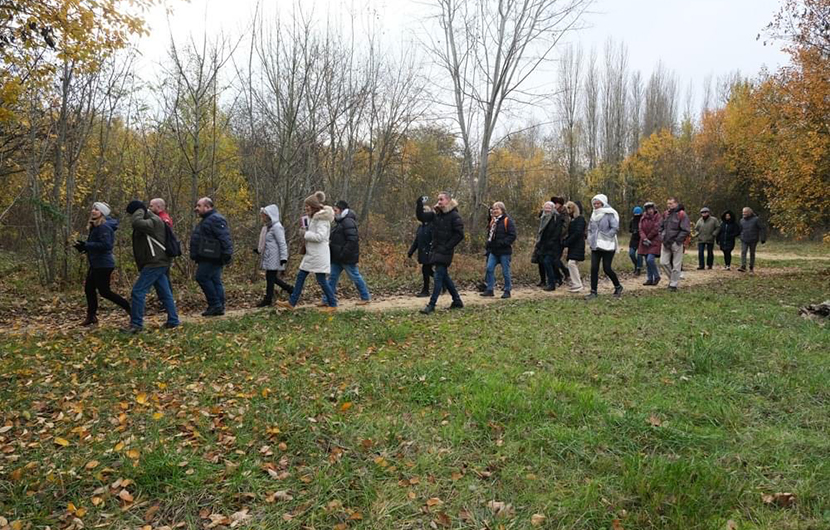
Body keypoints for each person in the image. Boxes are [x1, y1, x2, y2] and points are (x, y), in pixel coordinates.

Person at [124, 200, 179, 333]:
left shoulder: (154, 221)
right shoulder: (152, 219)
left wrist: (139, 210)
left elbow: (136, 223)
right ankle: (173, 320)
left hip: (155, 262)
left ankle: (136, 325)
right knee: (165, 292)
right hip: (158, 261)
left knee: (138, 292)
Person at [278, 192, 338, 311]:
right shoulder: (313, 218)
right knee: (301, 276)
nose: (306, 208)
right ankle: (292, 302)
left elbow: (320, 237)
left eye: (308, 206)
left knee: (321, 280)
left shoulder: (322, 219)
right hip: (312, 254)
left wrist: (306, 234)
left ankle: (333, 304)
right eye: (305, 206)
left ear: (314, 206)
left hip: (319, 255)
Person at [74, 202, 131, 326]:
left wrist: (87, 245)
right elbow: (96, 245)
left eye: (97, 209)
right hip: (96, 263)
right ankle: (91, 316)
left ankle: (128, 307)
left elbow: (106, 246)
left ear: (102, 213)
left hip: (104, 264)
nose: (93, 211)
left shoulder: (104, 227)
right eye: (93, 209)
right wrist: (83, 247)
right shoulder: (95, 226)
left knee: (104, 291)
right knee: (89, 289)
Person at [417, 192, 464, 314]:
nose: (439, 202)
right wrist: (419, 203)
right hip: (436, 250)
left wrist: (447, 247)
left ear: (448, 200)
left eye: (441, 199)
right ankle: (457, 301)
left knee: (438, 277)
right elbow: (421, 217)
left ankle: (431, 305)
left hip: (445, 252)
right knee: (445, 277)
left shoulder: (454, 216)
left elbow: (459, 234)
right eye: (438, 199)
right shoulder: (436, 214)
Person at [189, 197, 233, 316]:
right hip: (209, 256)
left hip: (212, 257)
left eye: (199, 206)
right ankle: (219, 306)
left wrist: (227, 254)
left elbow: (224, 237)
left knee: (201, 277)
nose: (196, 208)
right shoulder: (207, 219)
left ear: (208, 207)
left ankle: (215, 305)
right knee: (215, 280)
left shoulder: (215, 219)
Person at [325, 200, 371, 306]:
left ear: (341, 210)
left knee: (355, 276)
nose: (333, 212)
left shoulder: (348, 222)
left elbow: (352, 240)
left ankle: (365, 297)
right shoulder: (340, 222)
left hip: (346, 257)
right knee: (332, 278)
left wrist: (343, 253)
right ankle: (326, 299)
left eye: (335, 210)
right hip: (337, 257)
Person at [586, 194, 623, 300]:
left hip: (608, 245)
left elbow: (615, 227)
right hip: (595, 246)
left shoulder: (609, 214)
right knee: (594, 268)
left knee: (607, 268)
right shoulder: (593, 215)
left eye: (598, 203)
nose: (596, 205)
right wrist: (590, 238)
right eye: (595, 204)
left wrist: (607, 236)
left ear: (603, 203)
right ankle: (593, 291)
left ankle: (618, 286)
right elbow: (590, 229)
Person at [255, 204, 292, 307]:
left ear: (269, 215)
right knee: (271, 278)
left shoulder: (277, 227)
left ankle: (268, 299)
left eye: (263, 215)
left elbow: (282, 243)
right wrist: (259, 250)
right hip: (269, 256)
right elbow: (267, 242)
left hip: (275, 257)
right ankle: (290, 289)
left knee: (270, 277)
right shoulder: (268, 227)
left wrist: (284, 257)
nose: (262, 217)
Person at [481, 201, 517, 299]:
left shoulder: (507, 221)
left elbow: (512, 235)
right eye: (494, 209)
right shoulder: (493, 221)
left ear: (502, 210)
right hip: (493, 251)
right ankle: (490, 289)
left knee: (505, 271)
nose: (495, 210)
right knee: (489, 269)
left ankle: (507, 290)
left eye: (497, 209)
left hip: (504, 251)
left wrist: (502, 243)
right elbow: (490, 234)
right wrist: (488, 244)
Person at [660, 197, 691, 292]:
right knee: (663, 262)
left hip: (676, 242)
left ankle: (673, 285)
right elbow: (661, 227)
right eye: (668, 203)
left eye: (671, 203)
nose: (669, 205)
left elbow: (686, 230)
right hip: (665, 242)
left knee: (676, 265)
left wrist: (678, 240)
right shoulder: (665, 214)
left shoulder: (682, 214)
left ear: (676, 203)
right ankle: (673, 279)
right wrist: (661, 237)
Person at [535, 201, 563, 292]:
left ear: (553, 209)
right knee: (544, 263)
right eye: (545, 208)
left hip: (553, 246)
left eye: (549, 208)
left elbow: (557, 232)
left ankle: (552, 283)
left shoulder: (556, 218)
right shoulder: (542, 218)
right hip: (543, 245)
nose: (547, 209)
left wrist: (551, 242)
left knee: (547, 262)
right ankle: (552, 281)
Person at [408, 206, 434, 297]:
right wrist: (411, 251)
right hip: (422, 252)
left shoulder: (432, 225)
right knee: (429, 271)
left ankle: (425, 290)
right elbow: (417, 240)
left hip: (430, 252)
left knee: (425, 270)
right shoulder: (421, 226)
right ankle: (443, 282)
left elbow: (435, 239)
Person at [637, 201, 663, 286]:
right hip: (644, 242)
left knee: (650, 260)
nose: (650, 211)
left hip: (654, 241)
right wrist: (644, 238)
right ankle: (649, 278)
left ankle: (656, 276)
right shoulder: (643, 217)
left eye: (651, 209)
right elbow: (640, 229)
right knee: (646, 261)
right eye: (648, 209)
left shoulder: (658, 217)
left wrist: (648, 238)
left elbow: (656, 228)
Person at [563, 200, 586, 292]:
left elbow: (578, 232)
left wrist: (567, 241)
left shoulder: (580, 219)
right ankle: (576, 283)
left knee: (571, 263)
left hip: (578, 244)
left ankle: (578, 284)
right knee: (572, 264)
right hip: (573, 245)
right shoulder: (572, 220)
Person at [738, 207, 766, 272]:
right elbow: (740, 229)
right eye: (743, 212)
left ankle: (751, 266)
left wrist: (763, 238)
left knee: (752, 253)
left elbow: (762, 228)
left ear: (750, 212)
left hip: (753, 239)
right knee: (743, 252)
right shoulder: (741, 220)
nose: (744, 213)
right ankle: (743, 266)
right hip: (744, 239)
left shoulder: (756, 219)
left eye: (745, 212)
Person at [551, 197, 571, 284]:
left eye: (556, 203)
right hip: (553, 240)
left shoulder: (564, 213)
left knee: (555, 259)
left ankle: (562, 275)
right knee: (553, 259)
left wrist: (557, 234)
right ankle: (562, 273)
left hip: (560, 240)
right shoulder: (554, 213)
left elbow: (565, 227)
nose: (554, 205)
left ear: (560, 204)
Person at [628, 206, 644, 275]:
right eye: (636, 214)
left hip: (641, 239)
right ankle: (636, 264)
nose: (637, 215)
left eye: (638, 214)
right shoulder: (632, 220)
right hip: (634, 239)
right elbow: (629, 229)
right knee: (631, 253)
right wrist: (633, 231)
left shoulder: (643, 220)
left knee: (639, 255)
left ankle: (638, 268)